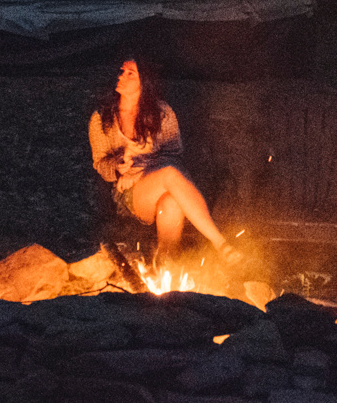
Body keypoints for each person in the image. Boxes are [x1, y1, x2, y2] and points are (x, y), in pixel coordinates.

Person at [88, 58, 240, 268]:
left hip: (160, 182)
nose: (121, 76)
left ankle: (166, 270)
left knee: (172, 203)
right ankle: (221, 243)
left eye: (130, 73)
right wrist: (118, 168)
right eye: (122, 71)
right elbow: (100, 164)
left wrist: (140, 172)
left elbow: (173, 154)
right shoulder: (101, 119)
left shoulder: (161, 113)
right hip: (130, 194)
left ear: (144, 81)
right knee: (169, 173)